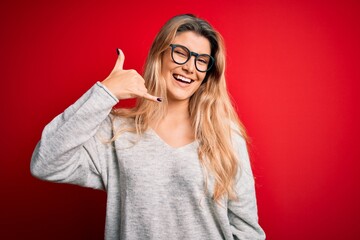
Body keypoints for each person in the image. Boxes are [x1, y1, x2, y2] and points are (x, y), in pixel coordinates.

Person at [31, 14, 266, 240]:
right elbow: (45, 163)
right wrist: (106, 92)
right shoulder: (117, 132)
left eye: (201, 61)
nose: (190, 67)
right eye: (181, 53)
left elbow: (247, 231)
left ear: (207, 74)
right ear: (159, 56)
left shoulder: (225, 137)